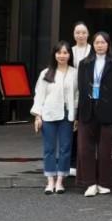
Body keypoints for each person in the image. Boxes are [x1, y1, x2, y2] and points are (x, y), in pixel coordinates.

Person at [76, 32, 112, 197]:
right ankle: (90, 183)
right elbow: (81, 87)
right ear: (93, 44)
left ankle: (104, 183)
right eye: (97, 42)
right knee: (85, 148)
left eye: (103, 42)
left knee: (105, 149)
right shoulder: (84, 63)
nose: (100, 45)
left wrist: (109, 102)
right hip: (87, 110)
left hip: (107, 110)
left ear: (108, 44)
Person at [31, 41, 78, 194]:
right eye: (59, 52)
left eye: (65, 52)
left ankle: (60, 181)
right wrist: (38, 116)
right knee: (49, 149)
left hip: (67, 115)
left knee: (65, 148)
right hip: (48, 114)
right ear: (54, 54)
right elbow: (39, 95)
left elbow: (78, 95)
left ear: (69, 55)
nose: (62, 55)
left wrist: (76, 116)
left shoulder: (75, 73)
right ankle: (50, 180)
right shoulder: (46, 73)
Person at [69, 22, 91, 176]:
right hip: (72, 91)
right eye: (78, 32)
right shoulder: (69, 51)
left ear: (88, 34)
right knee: (73, 127)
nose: (81, 35)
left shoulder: (93, 50)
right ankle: (72, 162)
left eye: (83, 32)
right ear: (74, 34)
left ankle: (86, 162)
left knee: (86, 127)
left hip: (89, 92)